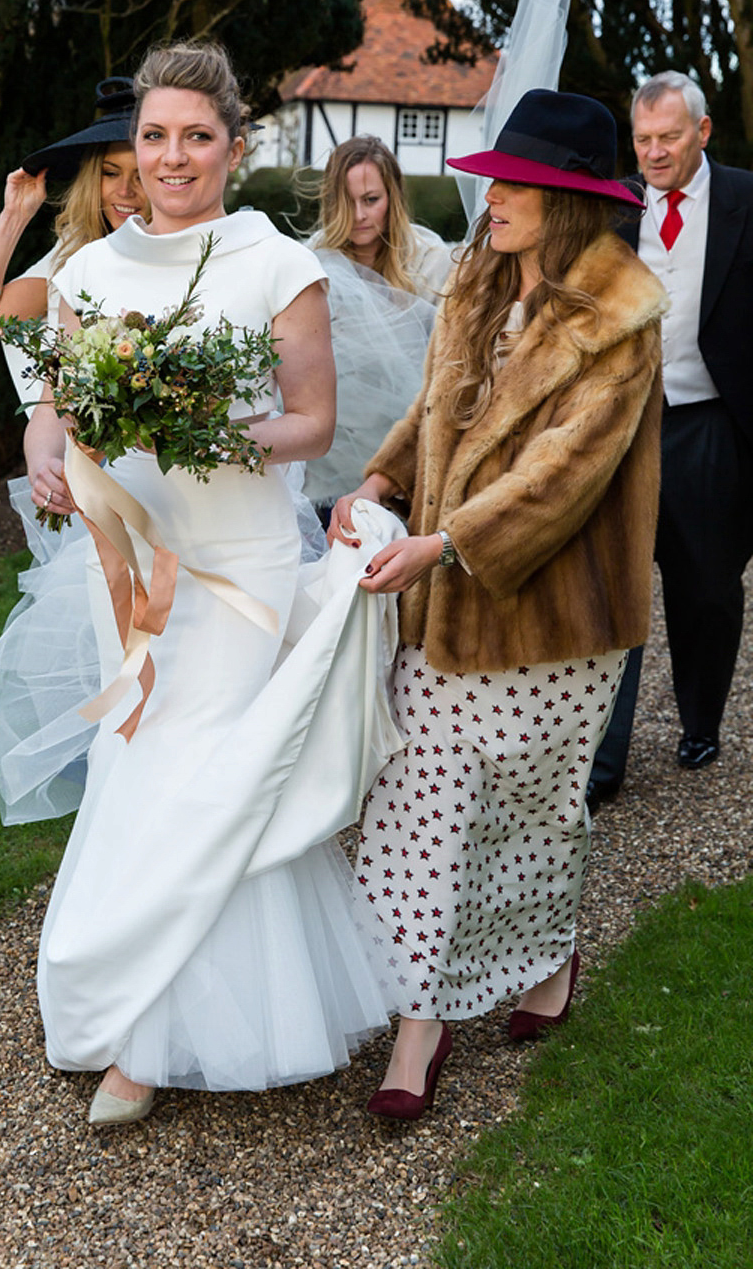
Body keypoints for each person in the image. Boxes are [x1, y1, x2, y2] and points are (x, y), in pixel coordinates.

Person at [10, 40, 395, 1125]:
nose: (172, 158)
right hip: (131, 561)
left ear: (234, 145)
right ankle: (139, 997)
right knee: (138, 764)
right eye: (153, 137)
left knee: (210, 772)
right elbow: (60, 403)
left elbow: (312, 426)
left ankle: (148, 1043)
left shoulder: (279, 265)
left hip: (240, 561)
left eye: (195, 137)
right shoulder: (87, 270)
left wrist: (212, 431)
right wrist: (48, 443)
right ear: (131, 148)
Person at [330, 89, 666, 1120]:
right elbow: (433, 405)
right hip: (448, 611)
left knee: (536, 811)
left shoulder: (622, 317)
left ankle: (549, 960)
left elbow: (565, 476)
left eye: (516, 186)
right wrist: (382, 481)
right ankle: (418, 1027)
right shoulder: (476, 279)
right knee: (421, 801)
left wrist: (446, 543)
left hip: (558, 617)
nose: (494, 199)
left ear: (567, 202)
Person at [588, 71, 753, 807]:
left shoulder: (748, 199)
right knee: (613, 580)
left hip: (711, 421)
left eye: (669, 137)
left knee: (708, 589)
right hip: (625, 424)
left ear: (703, 131)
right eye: (644, 139)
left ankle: (701, 718)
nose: (654, 153)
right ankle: (604, 759)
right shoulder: (613, 209)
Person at [0, 78, 149, 412]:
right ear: (93, 178)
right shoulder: (75, 253)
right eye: (110, 173)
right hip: (75, 451)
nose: (125, 190)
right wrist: (14, 216)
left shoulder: (198, 253)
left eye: (141, 175)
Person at [302, 136, 452, 513]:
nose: (359, 216)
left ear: (393, 197)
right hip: (331, 450)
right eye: (346, 202)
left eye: (371, 200)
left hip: (410, 444)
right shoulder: (311, 262)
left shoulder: (433, 263)